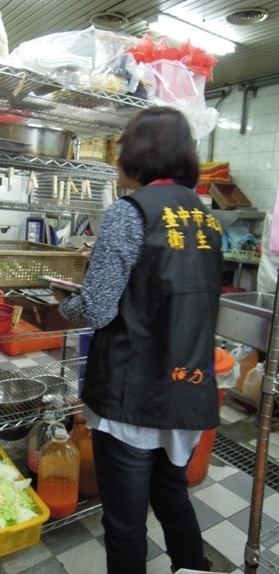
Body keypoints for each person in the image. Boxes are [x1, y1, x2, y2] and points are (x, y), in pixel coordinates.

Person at [50, 106, 223, 574]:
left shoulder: (129, 214)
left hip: (133, 397)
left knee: (125, 523)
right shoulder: (205, 218)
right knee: (171, 496)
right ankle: (193, 567)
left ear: (140, 154)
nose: (117, 158)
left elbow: (97, 308)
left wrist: (64, 302)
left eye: (122, 147)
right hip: (187, 386)